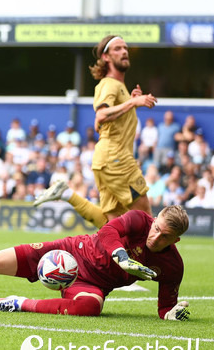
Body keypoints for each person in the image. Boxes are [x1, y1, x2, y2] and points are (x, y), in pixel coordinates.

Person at [0, 206, 191, 321]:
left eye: (164, 237)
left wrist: (173, 314)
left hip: (90, 284)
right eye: (156, 228)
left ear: (175, 241)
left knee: (90, 308)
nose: (154, 236)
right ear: (154, 219)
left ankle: (17, 303)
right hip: (65, 253)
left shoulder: (172, 266)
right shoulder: (139, 219)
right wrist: (121, 258)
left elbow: (165, 307)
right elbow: (109, 231)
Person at [33, 35, 157, 229]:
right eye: (117, 49)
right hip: (116, 158)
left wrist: (130, 103)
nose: (124, 51)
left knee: (113, 226)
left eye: (125, 48)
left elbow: (102, 123)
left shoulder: (119, 87)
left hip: (106, 159)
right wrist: (132, 103)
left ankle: (67, 194)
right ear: (106, 57)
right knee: (148, 221)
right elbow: (101, 115)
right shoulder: (109, 84)